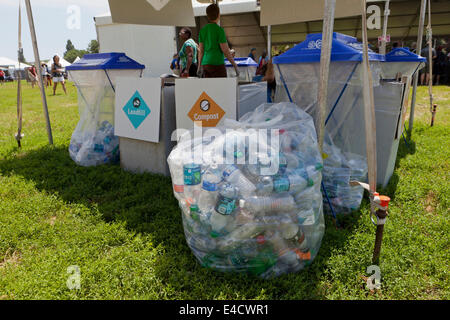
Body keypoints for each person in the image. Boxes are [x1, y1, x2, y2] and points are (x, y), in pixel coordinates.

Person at [197, 4, 239, 78]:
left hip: (205, 64)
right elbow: (225, 50)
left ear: (207, 15)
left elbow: (201, 50)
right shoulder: (219, 30)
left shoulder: (202, 31)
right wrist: (234, 65)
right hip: (217, 64)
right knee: (221, 88)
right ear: (219, 15)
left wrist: (199, 66)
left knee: (208, 88)